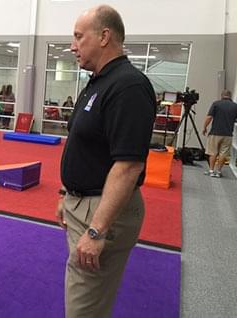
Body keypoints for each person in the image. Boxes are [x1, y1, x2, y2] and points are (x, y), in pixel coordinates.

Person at [56, 5, 156, 317]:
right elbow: (84, 145)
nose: (72, 45)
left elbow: (128, 166)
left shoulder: (128, 86)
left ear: (104, 36)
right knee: (84, 296)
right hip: (82, 204)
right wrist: (65, 193)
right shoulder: (98, 81)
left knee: (83, 309)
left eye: (78, 36)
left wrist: (97, 230)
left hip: (100, 212)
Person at [202, 89, 237, 178]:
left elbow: (209, 117)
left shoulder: (216, 104)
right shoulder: (235, 106)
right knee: (223, 153)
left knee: (213, 152)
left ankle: (211, 170)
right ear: (230, 96)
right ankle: (218, 172)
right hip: (228, 134)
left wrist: (204, 127)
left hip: (215, 132)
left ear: (222, 96)